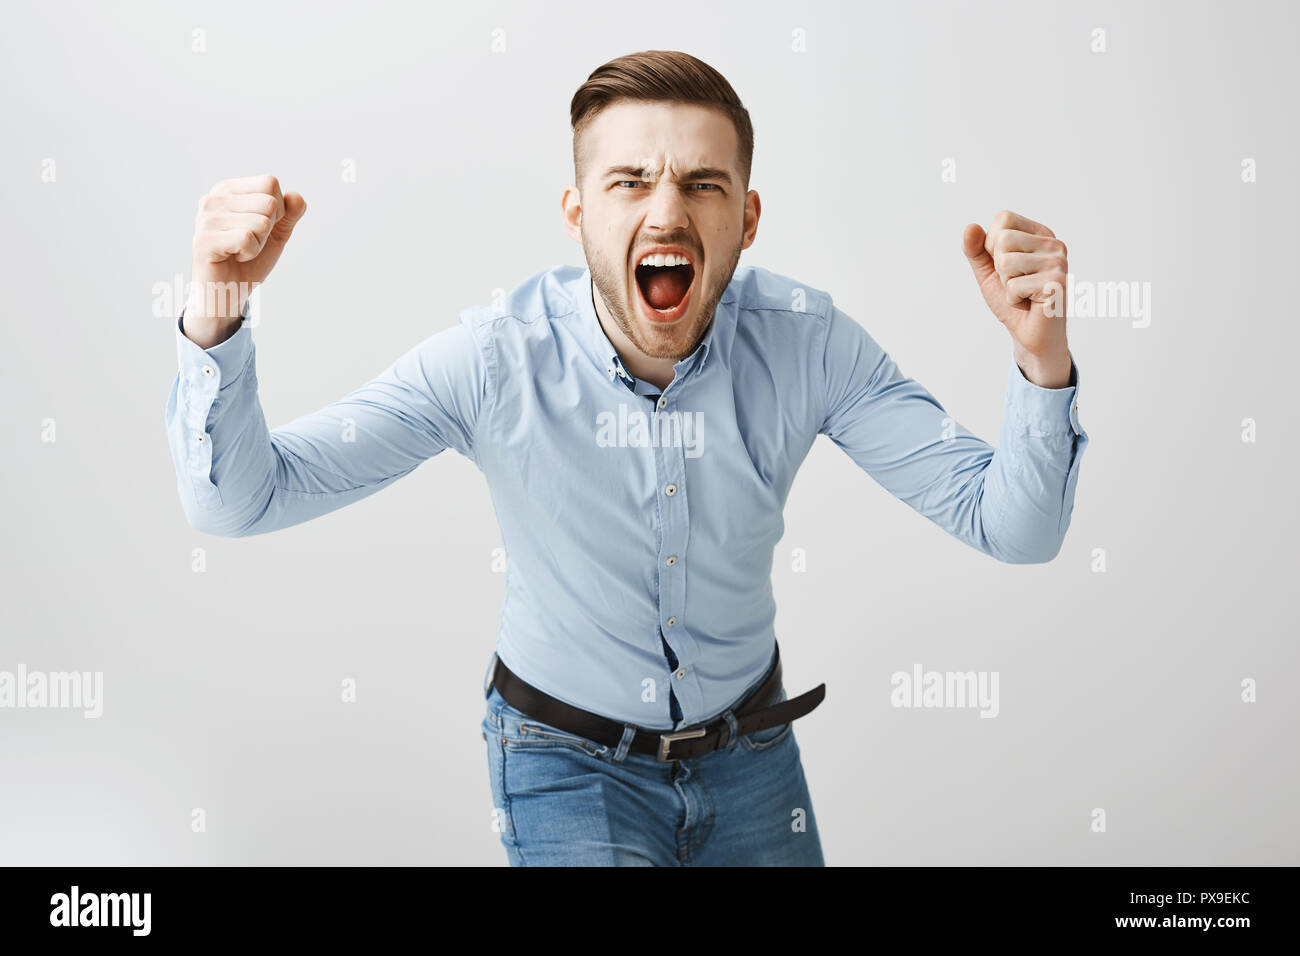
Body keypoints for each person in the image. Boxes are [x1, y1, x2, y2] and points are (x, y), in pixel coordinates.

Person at [165, 50, 1088, 866]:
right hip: (565, 768)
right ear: (576, 213)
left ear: (749, 217)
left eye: (703, 184)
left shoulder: (811, 346)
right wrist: (216, 307)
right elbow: (243, 500)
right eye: (629, 182)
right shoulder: (493, 360)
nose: (667, 209)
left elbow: (1012, 527)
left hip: (753, 762)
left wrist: (1039, 357)